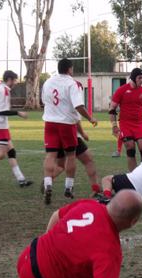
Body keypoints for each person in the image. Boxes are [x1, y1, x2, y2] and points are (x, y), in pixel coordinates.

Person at [0, 189, 142, 278]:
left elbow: (56, 215)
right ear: (133, 222)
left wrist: (48, 247)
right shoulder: (110, 249)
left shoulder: (88, 204)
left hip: (27, 258)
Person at [42, 58, 98, 205]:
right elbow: (78, 106)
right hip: (66, 124)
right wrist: (91, 119)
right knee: (71, 156)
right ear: (69, 69)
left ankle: (48, 183)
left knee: (51, 156)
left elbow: (45, 101)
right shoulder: (72, 84)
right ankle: (68, 187)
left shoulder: (48, 82)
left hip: (50, 123)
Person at [0, 70, 33, 187]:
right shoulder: (3, 90)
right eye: (14, 80)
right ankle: (21, 180)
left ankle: (21, 179)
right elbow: (2, 111)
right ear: (9, 79)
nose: (15, 82)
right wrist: (19, 113)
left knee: (11, 151)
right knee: (0, 154)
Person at [109, 68, 142, 171]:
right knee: (130, 148)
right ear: (134, 78)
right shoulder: (122, 90)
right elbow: (112, 109)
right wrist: (114, 126)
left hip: (139, 124)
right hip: (125, 124)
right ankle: (133, 177)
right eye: (139, 78)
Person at [41, 121, 101, 197]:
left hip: (54, 132)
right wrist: (83, 132)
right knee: (88, 161)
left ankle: (48, 180)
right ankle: (95, 189)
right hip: (70, 134)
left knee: (61, 164)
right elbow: (76, 119)